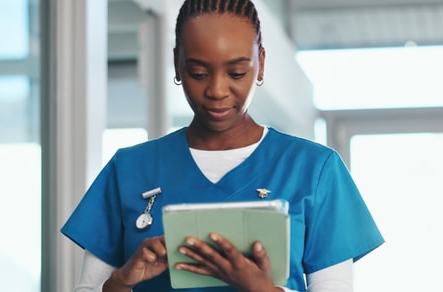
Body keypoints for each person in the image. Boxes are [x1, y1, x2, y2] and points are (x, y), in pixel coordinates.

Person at [60, 0, 384, 291]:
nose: (217, 90)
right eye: (198, 73)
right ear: (177, 64)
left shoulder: (315, 169)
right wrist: (120, 282)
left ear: (261, 63)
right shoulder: (128, 169)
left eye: (237, 72)